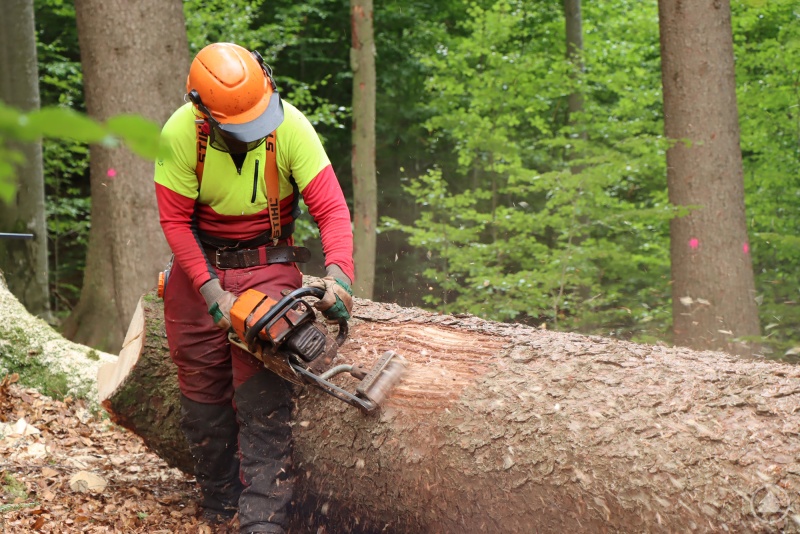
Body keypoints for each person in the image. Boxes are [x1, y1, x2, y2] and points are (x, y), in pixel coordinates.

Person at [153, 42, 355, 533]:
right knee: (201, 394)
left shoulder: (291, 127)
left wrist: (340, 277)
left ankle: (263, 520)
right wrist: (211, 292)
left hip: (268, 262)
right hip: (200, 264)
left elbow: (331, 209)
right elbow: (175, 222)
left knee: (263, 396)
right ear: (203, 112)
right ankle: (220, 502)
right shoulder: (181, 133)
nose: (254, 130)